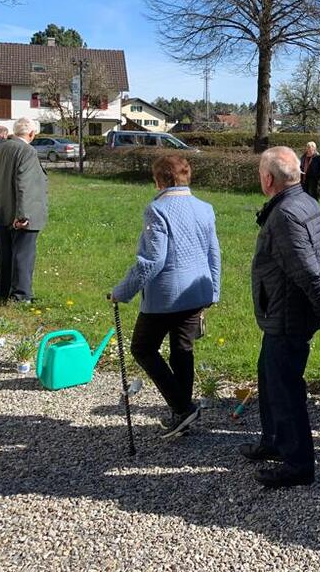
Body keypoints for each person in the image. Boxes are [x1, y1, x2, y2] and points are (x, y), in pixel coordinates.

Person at [244, 146, 320, 488]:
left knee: (285, 387)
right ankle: (273, 439)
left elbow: (307, 267)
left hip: (288, 313)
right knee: (268, 373)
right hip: (285, 309)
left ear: (268, 180)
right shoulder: (304, 201)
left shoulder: (285, 214)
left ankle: (298, 463)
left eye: (261, 174)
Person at [111, 155, 221, 438]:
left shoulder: (157, 209)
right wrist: (214, 290)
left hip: (166, 296)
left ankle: (183, 407)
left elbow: (153, 260)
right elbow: (213, 252)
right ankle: (182, 414)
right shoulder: (204, 207)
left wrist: (122, 291)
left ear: (159, 180)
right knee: (182, 351)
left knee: (142, 348)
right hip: (197, 291)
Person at [0, 118, 47, 302]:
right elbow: (25, 183)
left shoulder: (0, 149)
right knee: (23, 256)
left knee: (4, 256)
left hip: (0, 209)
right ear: (31, 134)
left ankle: (2, 293)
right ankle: (21, 296)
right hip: (20, 212)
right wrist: (23, 215)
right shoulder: (27, 151)